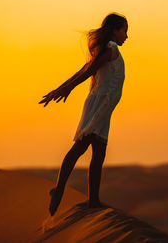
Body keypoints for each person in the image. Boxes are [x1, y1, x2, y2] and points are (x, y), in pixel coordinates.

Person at [38, 12, 128, 216]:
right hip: (99, 105)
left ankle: (93, 200)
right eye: (124, 31)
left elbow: (85, 69)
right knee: (81, 146)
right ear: (115, 30)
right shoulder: (111, 50)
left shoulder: (108, 50)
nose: (126, 36)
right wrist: (64, 89)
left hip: (103, 107)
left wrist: (62, 88)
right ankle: (59, 189)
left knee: (99, 152)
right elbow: (88, 71)